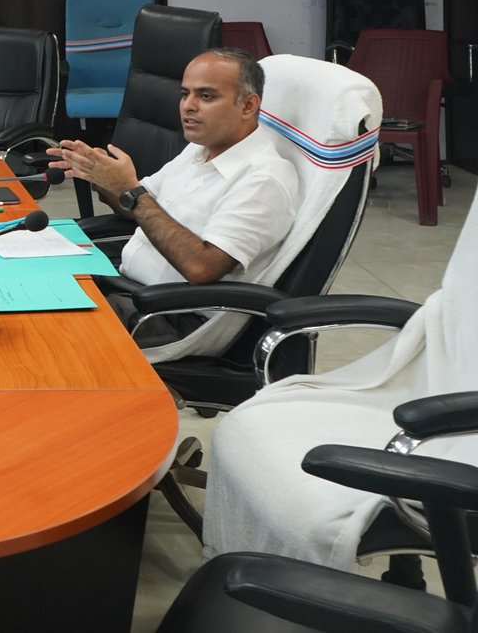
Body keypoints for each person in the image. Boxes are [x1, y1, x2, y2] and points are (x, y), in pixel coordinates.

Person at [203, 195, 478, 569]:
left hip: (447, 437)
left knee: (301, 493)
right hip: (429, 401)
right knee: (246, 426)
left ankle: (290, 589)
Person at [47, 48, 298, 343]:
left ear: (247, 105)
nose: (188, 106)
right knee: (25, 284)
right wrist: (102, 176)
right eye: (184, 94)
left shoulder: (263, 179)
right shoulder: (200, 148)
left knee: (37, 332)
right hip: (126, 288)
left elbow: (201, 268)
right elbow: (134, 206)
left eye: (206, 96)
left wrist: (131, 190)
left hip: (168, 316)